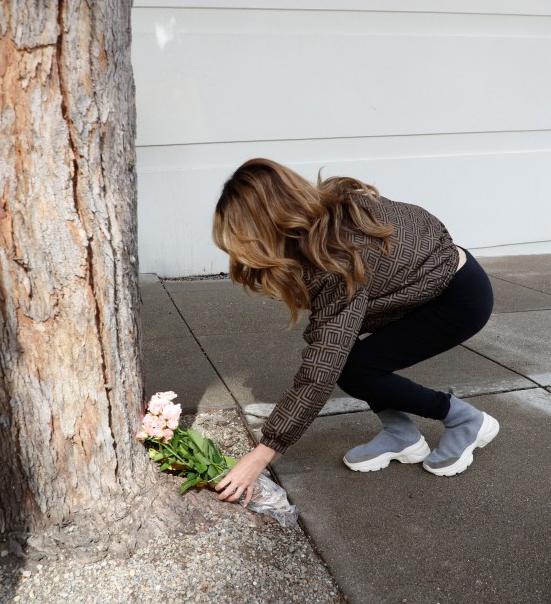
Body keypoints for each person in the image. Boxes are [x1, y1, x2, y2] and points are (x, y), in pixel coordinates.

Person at [212, 158, 498, 505]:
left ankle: (465, 420)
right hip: (429, 282)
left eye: (247, 239)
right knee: (355, 363)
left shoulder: (335, 258)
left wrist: (263, 453)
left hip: (457, 301)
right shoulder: (330, 213)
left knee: (350, 368)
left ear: (271, 224)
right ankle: (402, 436)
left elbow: (320, 370)